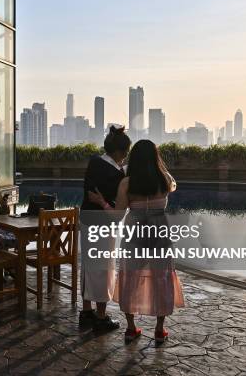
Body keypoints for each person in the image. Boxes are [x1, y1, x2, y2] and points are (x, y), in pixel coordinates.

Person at [90, 139, 184, 344]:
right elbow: (174, 185)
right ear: (155, 157)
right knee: (162, 279)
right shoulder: (165, 179)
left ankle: (131, 328)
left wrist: (102, 202)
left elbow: (117, 216)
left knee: (130, 280)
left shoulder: (127, 183)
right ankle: (160, 329)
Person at [79, 126, 131, 332]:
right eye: (126, 152)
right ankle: (101, 317)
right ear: (119, 152)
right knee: (103, 269)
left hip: (87, 221)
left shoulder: (94, 163)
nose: (126, 156)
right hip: (103, 225)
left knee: (88, 267)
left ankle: (86, 313)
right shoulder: (116, 174)